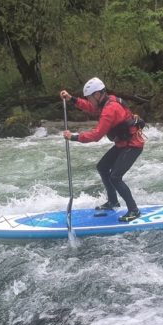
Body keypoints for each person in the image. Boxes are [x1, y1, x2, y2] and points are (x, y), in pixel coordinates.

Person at [61, 77, 145, 222]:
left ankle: (134, 210)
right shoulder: (107, 100)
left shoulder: (110, 109)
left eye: (89, 97)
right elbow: (90, 107)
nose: (89, 100)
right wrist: (72, 99)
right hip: (123, 144)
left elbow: (97, 135)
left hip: (133, 145)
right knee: (103, 167)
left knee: (115, 177)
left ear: (98, 94)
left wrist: (73, 137)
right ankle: (113, 202)